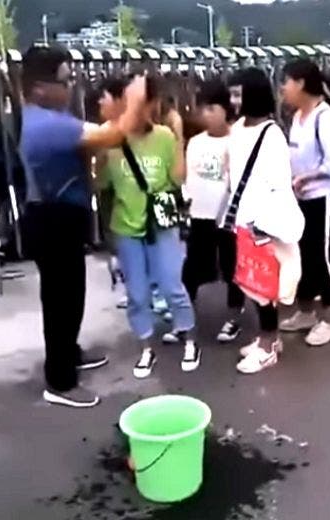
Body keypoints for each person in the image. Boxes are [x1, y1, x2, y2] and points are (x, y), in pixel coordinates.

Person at [20, 47, 146, 408]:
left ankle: (68, 353)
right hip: (52, 219)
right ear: (41, 87)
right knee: (60, 300)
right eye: (65, 80)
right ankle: (60, 382)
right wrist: (135, 98)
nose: (70, 86)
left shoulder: (46, 118)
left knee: (68, 295)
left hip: (60, 217)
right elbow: (115, 134)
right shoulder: (48, 125)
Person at [96, 76, 197, 379]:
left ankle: (189, 340)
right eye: (127, 102)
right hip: (127, 228)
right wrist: (99, 158)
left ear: (152, 104)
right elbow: (101, 185)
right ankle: (146, 348)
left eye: (139, 102)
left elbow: (178, 179)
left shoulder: (164, 136)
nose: (133, 108)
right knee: (137, 294)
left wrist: (178, 136)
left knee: (171, 286)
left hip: (160, 223)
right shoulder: (110, 138)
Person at [227, 68, 305, 374]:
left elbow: (278, 184)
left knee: (265, 287)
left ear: (253, 94)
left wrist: (262, 221)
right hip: (245, 220)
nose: (233, 101)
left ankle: (268, 343)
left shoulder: (271, 134)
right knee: (254, 284)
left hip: (263, 224)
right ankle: (266, 339)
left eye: (237, 94)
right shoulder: (239, 128)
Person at [277, 59, 330, 347]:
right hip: (301, 199)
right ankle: (306, 312)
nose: (283, 88)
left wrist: (306, 177)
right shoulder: (297, 117)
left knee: (320, 258)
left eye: (287, 82)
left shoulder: (323, 116)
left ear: (301, 83)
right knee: (302, 256)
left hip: (324, 197)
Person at [181, 79, 245, 343]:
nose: (206, 115)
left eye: (212, 109)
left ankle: (234, 318)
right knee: (193, 267)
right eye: (203, 109)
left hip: (229, 218)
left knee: (233, 269)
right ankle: (183, 317)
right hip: (200, 215)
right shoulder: (195, 142)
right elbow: (188, 177)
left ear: (225, 109)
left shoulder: (238, 141)